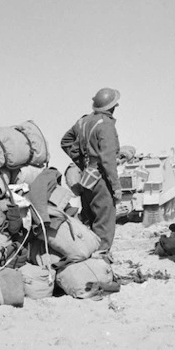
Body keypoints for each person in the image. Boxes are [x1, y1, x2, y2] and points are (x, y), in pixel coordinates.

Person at [60, 88, 123, 260]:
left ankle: (88, 257)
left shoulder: (83, 122)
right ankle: (101, 260)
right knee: (104, 221)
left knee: (89, 218)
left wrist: (82, 162)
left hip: (87, 177)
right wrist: (116, 187)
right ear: (113, 106)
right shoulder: (106, 124)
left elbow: (65, 142)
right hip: (101, 178)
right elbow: (108, 159)